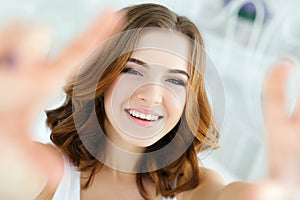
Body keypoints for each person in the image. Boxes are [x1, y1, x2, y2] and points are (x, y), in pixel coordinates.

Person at [0, 3, 299, 200]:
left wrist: (285, 187)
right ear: (101, 77)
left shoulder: (194, 189)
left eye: (174, 80)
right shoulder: (49, 172)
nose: (152, 95)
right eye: (132, 70)